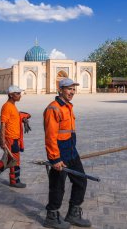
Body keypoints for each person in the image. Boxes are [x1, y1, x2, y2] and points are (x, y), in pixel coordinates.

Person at [43, 78, 91, 229]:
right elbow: (50, 136)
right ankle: (51, 215)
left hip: (71, 151)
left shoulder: (68, 107)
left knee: (81, 180)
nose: (72, 92)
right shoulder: (53, 108)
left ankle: (73, 214)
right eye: (69, 89)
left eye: (73, 89)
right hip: (59, 153)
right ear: (61, 90)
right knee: (58, 186)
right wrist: (55, 158)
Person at [0, 85, 31, 188]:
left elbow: (14, 118)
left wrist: (23, 118)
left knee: (10, 159)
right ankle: (14, 181)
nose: (20, 95)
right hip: (10, 138)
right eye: (17, 94)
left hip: (15, 138)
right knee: (14, 160)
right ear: (11, 95)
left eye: (19, 93)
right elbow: (3, 123)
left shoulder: (12, 106)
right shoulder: (7, 106)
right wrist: (2, 140)